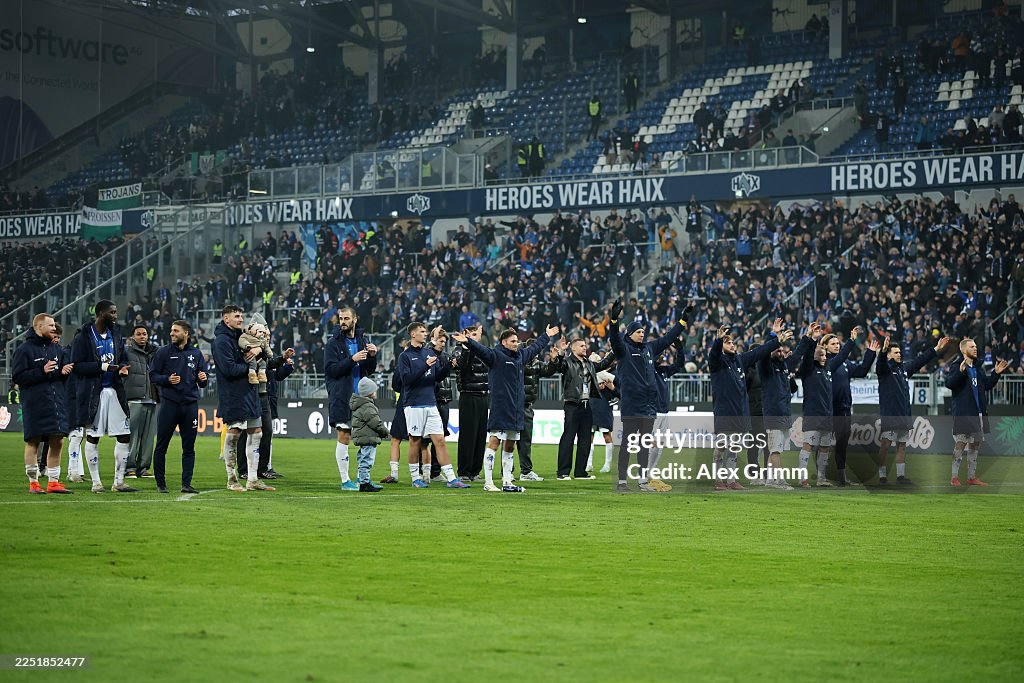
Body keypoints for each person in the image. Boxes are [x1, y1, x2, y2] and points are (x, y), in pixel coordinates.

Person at [452, 324, 558, 492]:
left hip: (516, 409)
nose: (517, 344)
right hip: (501, 407)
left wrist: (546, 335)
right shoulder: (496, 356)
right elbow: (481, 350)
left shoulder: (521, 356)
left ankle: (507, 482)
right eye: (513, 341)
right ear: (504, 342)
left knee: (510, 445)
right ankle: (488, 482)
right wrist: (468, 342)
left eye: (517, 341)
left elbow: (535, 347)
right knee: (494, 442)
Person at [607, 300, 686, 492]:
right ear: (630, 334)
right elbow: (614, 339)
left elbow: (668, 338)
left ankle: (642, 481)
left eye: (643, 332)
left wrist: (682, 322)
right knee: (627, 444)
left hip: (649, 407)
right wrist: (614, 320)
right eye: (638, 332)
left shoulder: (649, 348)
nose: (642, 334)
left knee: (643, 445)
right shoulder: (623, 350)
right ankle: (622, 481)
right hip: (632, 405)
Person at [707, 318, 792, 490]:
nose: (732, 344)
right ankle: (718, 480)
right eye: (727, 342)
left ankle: (731, 480)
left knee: (734, 447)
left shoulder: (739, 360)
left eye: (732, 342)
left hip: (740, 411)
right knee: (722, 446)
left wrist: (774, 336)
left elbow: (760, 352)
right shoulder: (717, 363)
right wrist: (717, 341)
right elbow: (713, 355)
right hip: (724, 411)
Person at [72, 300, 137, 493]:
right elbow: (77, 365)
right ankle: (96, 483)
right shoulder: (83, 336)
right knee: (93, 436)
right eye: (113, 312)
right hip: (94, 393)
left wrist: (123, 368)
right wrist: (103, 367)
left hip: (115, 391)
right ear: (101, 313)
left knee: (124, 435)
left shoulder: (115, 333)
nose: (116, 316)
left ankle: (118, 482)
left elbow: (122, 357)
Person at [397, 322, 469, 489]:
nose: (425, 333)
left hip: (431, 403)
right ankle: (416, 478)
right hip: (414, 404)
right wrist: (425, 366)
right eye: (422, 331)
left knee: (440, 440)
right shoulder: (405, 356)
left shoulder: (428, 353)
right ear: (413, 334)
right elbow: (406, 380)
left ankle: (451, 479)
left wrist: (448, 367)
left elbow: (437, 376)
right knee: (415, 441)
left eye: (425, 331)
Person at [12, 313, 74, 495]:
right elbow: (18, 377)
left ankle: (53, 483)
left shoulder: (57, 350)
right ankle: (34, 483)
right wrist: (42, 371)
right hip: (35, 403)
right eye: (51, 325)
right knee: (33, 442)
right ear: (39, 327)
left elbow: (55, 375)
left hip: (56, 403)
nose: (54, 328)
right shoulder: (24, 350)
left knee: (58, 441)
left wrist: (63, 372)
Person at [876, 333, 950, 484]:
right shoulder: (884, 370)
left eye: (899, 352)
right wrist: (883, 352)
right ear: (889, 355)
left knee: (902, 445)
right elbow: (880, 364)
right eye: (895, 352)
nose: (899, 354)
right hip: (890, 414)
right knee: (885, 445)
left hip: (904, 414)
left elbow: (920, 360)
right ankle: (882, 475)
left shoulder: (904, 369)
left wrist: (935, 349)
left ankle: (900, 476)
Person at [213, 304, 273, 492]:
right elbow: (228, 369)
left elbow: (261, 354)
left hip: (250, 392)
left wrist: (259, 351)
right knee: (235, 433)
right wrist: (249, 367)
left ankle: (253, 479)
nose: (241, 319)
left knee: (257, 433)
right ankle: (232, 479)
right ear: (226, 319)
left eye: (241, 316)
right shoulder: (221, 341)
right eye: (237, 316)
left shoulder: (241, 337)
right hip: (233, 395)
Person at [789, 324, 854, 487]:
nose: (824, 357)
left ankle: (821, 478)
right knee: (808, 445)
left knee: (825, 447)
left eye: (825, 355)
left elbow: (841, 357)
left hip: (827, 415)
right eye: (821, 354)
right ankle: (802, 478)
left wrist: (851, 342)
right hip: (812, 414)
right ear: (814, 356)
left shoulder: (828, 369)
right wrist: (812, 338)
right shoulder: (808, 369)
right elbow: (809, 353)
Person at [149, 320, 209, 494]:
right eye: (171, 330)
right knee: (161, 445)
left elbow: (202, 380)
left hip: (190, 405)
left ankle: (186, 484)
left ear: (186, 333)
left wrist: (203, 379)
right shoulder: (163, 353)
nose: (172, 333)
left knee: (189, 447)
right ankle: (161, 484)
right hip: (169, 404)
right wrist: (167, 380)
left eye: (176, 331)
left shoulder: (196, 354)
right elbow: (153, 375)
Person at [325, 307, 378, 491]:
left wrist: (372, 356)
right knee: (344, 436)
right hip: (342, 396)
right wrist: (352, 359)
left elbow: (369, 370)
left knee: (367, 439)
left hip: (362, 398)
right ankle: (345, 480)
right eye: (341, 318)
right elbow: (331, 370)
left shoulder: (362, 340)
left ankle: (363, 479)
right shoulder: (333, 343)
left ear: (355, 319)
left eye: (346, 318)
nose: (343, 321)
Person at [548, 335, 615, 480]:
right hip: (572, 404)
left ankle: (580, 472)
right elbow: (557, 367)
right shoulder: (567, 362)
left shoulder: (589, 364)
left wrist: (615, 350)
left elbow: (603, 365)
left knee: (585, 439)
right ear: (573, 348)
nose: (585, 348)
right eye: (581, 346)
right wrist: (559, 354)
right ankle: (563, 472)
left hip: (587, 405)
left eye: (585, 346)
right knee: (568, 438)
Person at [945, 338, 1009, 487]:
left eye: (975, 346)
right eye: (972, 346)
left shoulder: (978, 368)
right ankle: (954, 477)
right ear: (963, 350)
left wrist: (996, 374)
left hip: (979, 413)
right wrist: (961, 372)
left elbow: (986, 385)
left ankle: (971, 477)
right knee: (960, 443)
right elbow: (950, 384)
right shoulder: (956, 366)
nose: (975, 349)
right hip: (963, 413)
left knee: (975, 445)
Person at [828, 327, 878, 486]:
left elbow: (862, 371)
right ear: (825, 347)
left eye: (837, 343)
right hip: (829, 409)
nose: (836, 346)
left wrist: (870, 353)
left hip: (844, 408)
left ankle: (841, 477)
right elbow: (840, 358)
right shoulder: (826, 362)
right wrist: (851, 341)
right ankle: (821, 475)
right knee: (823, 444)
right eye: (833, 344)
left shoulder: (846, 363)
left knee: (842, 444)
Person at [237, 344, 295, 482]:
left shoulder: (270, 354)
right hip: (251, 395)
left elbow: (277, 375)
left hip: (267, 397)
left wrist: (287, 367)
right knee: (246, 433)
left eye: (267, 335)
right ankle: (244, 469)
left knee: (267, 433)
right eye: (264, 333)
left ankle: (263, 468)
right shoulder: (249, 351)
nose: (266, 337)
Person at [757, 339, 799, 489]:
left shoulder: (784, 368)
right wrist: (774, 337)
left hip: (784, 414)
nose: (781, 353)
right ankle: (780, 481)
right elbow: (763, 356)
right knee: (775, 449)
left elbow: (799, 353)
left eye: (782, 351)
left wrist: (809, 337)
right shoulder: (766, 367)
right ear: (770, 352)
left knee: (776, 448)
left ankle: (770, 479)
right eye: (777, 351)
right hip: (773, 414)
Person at [122, 324, 159, 479]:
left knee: (148, 437)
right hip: (134, 399)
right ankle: (128, 467)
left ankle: (143, 468)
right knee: (132, 436)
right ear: (132, 337)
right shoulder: (126, 352)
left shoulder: (154, 353)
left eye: (144, 334)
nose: (142, 336)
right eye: (139, 334)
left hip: (151, 398)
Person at [452, 323, 489, 481]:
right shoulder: (459, 350)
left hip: (483, 395)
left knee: (481, 435)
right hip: (468, 395)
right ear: (465, 334)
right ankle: (464, 471)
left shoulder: (483, 352)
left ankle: (475, 470)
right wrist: (468, 346)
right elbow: (463, 367)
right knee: (468, 435)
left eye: (477, 335)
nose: (475, 338)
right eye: (472, 335)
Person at [349, 377, 388, 492]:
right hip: (368, 438)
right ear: (370, 392)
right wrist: (385, 432)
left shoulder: (362, 405)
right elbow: (376, 423)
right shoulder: (367, 406)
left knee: (363, 459)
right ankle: (364, 483)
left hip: (364, 437)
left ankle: (365, 480)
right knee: (366, 460)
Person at [588, 365, 618, 474]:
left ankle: (607, 465)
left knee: (607, 436)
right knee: (589, 436)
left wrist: (612, 388)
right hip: (591, 408)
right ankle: (589, 463)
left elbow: (620, 394)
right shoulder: (591, 373)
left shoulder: (615, 375)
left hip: (604, 410)